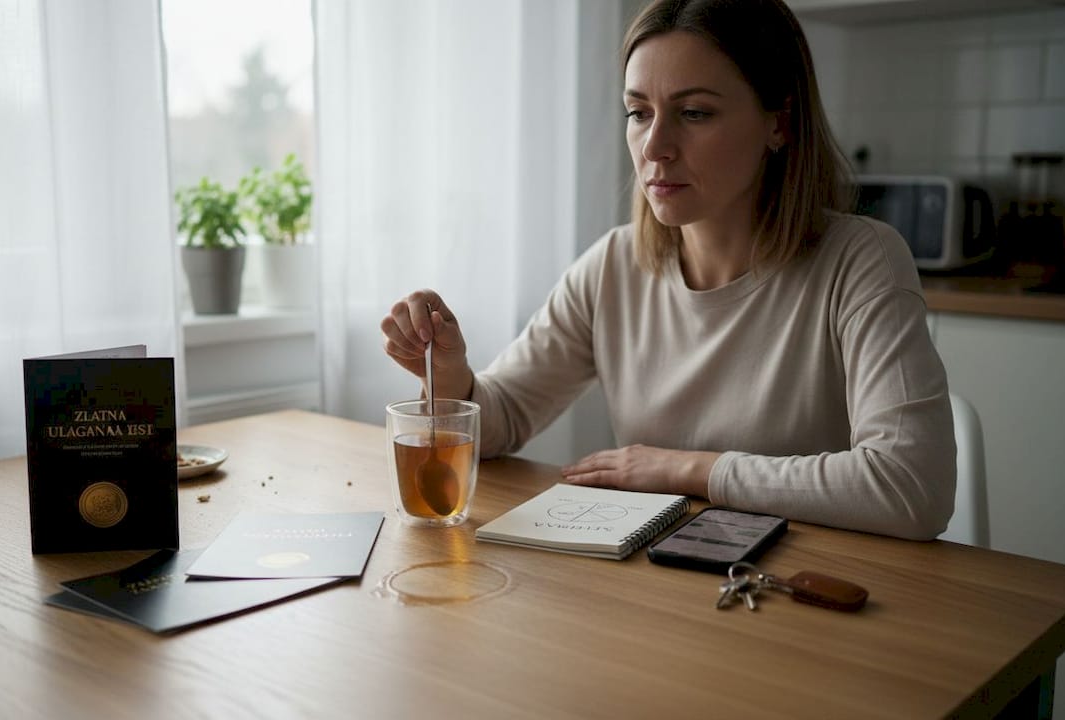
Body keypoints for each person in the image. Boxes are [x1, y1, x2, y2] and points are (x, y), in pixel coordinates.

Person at [379, 0, 955, 541]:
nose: (655, 146)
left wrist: (685, 469)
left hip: (800, 598)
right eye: (638, 112)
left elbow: (911, 487)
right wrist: (450, 374)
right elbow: (501, 420)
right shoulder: (612, 266)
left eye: (694, 113)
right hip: (662, 591)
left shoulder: (861, 261)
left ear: (779, 122)